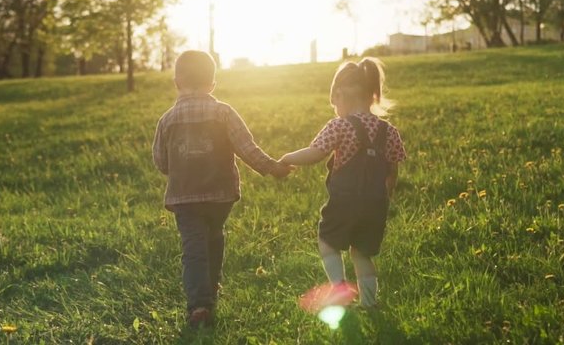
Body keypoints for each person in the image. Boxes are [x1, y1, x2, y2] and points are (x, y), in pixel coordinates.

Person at [152, 50, 292, 328]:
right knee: (214, 237)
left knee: (193, 248)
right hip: (220, 196)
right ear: (212, 84)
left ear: (177, 82)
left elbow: (161, 161)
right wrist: (272, 168)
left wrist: (179, 166)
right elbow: (247, 148)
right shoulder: (223, 112)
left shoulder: (167, 119)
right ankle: (211, 289)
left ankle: (199, 305)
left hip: (185, 196)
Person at [279, 57, 406, 309]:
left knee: (327, 243)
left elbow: (315, 153)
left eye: (334, 102)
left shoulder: (340, 126)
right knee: (362, 253)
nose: (334, 108)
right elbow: (392, 169)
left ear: (340, 94)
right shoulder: (388, 131)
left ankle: (339, 289)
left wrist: (286, 158)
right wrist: (385, 196)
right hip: (375, 205)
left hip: (344, 202)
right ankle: (369, 303)